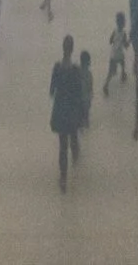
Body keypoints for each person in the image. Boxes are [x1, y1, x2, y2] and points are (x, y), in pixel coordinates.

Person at [49, 34, 84, 188]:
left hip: (60, 110)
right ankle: (76, 158)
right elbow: (79, 93)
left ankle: (63, 178)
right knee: (73, 136)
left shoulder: (57, 68)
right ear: (73, 49)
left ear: (63, 48)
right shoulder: (76, 70)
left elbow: (51, 91)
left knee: (62, 146)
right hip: (72, 110)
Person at [104, 10, 129, 95]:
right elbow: (126, 46)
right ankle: (122, 75)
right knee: (122, 63)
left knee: (111, 71)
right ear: (123, 23)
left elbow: (110, 41)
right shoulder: (124, 33)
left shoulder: (114, 31)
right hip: (119, 54)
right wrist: (130, 41)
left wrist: (115, 41)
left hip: (113, 54)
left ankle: (107, 84)